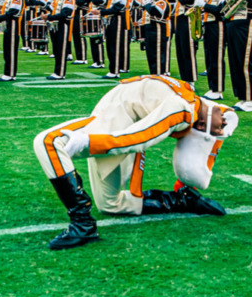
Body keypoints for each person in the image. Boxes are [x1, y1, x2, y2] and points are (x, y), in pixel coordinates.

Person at [32, 74, 239, 250]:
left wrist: (88, 141)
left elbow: (140, 137)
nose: (223, 123)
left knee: (47, 142)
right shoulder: (195, 106)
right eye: (221, 125)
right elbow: (220, 116)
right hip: (115, 118)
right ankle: (182, 200)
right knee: (110, 205)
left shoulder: (189, 110)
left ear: (201, 125)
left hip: (119, 125)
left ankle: (82, 224)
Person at [200, 0, 236, 100]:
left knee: (216, 57)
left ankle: (218, 89)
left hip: (218, 26)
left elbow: (221, 11)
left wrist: (204, 6)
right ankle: (212, 87)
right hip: (209, 26)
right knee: (209, 57)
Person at [167, 0, 205, 83]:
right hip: (180, 20)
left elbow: (185, 0)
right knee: (181, 51)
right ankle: (185, 79)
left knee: (188, 51)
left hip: (189, 21)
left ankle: (191, 79)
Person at [45, 0, 77, 80]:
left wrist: (49, 17)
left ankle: (60, 73)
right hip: (57, 25)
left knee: (61, 49)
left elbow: (65, 14)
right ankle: (57, 71)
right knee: (57, 49)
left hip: (64, 25)